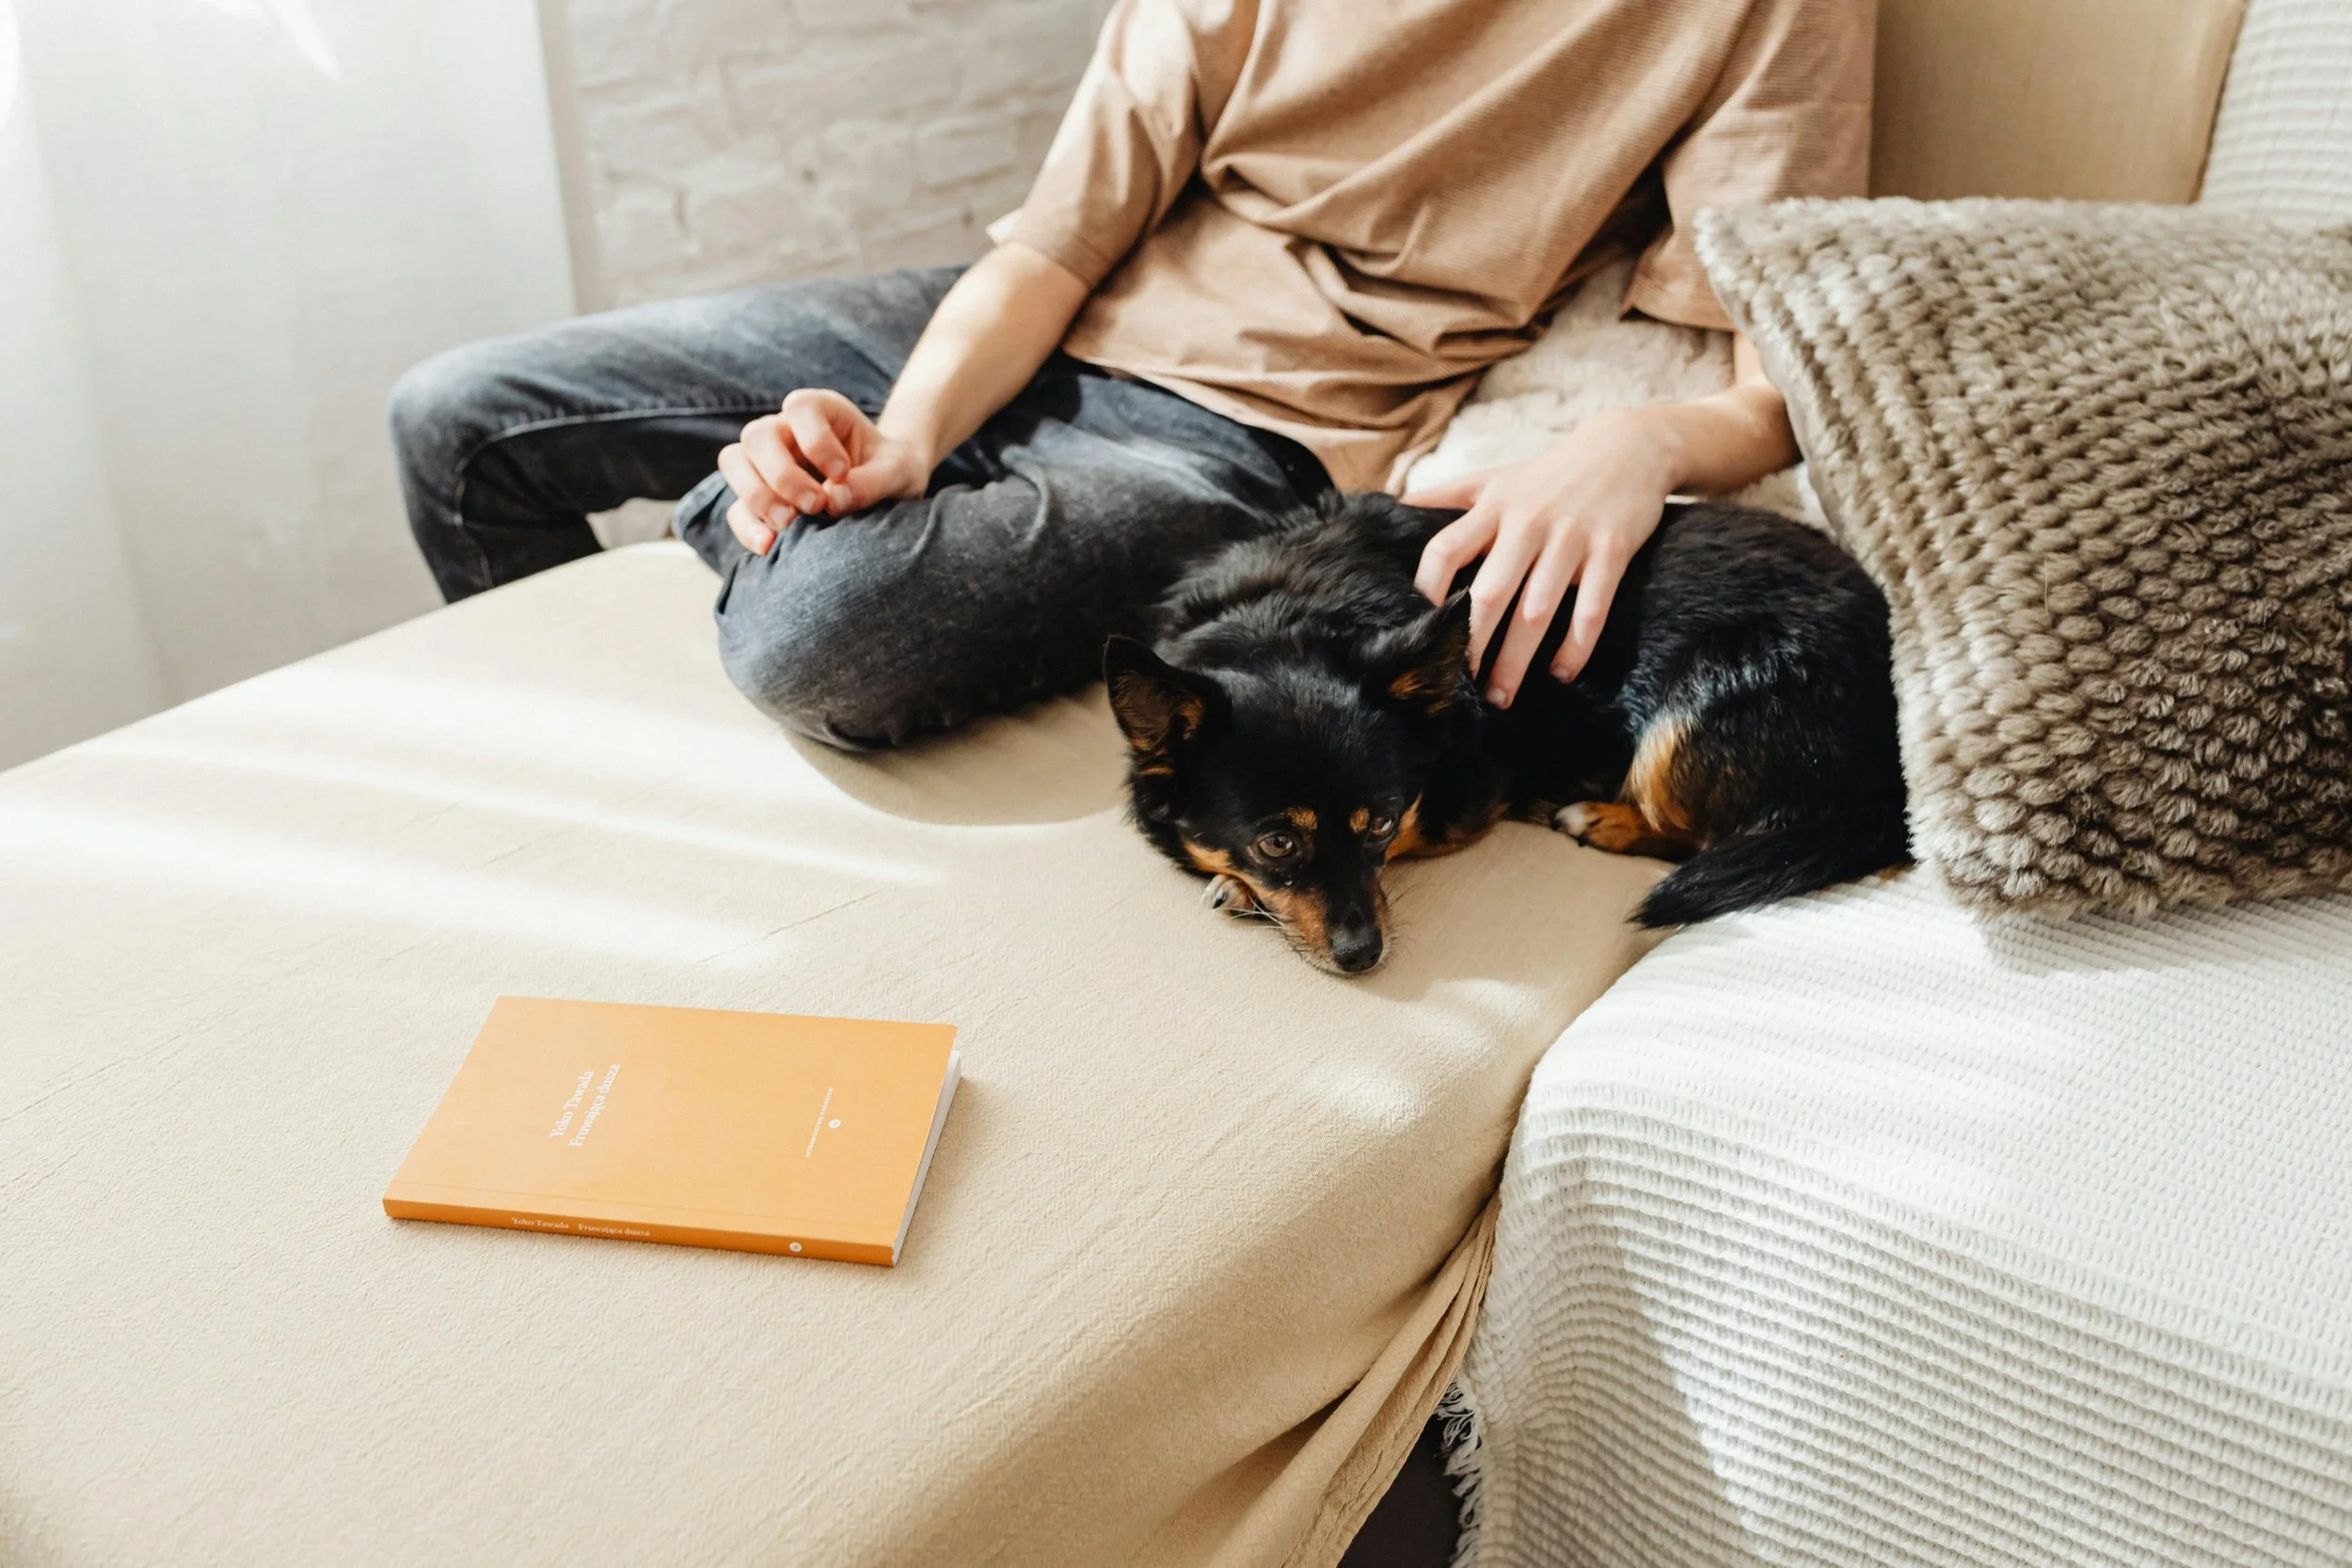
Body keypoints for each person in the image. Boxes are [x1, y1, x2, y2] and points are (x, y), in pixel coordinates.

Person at [391, 0, 1871, 750]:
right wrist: (905, 439)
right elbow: (1049, 252)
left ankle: (755, 515)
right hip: (1049, 319)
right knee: (456, 421)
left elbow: (1771, 381)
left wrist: (1639, 445)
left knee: (824, 638)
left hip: (1252, 438)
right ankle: (658, 660)